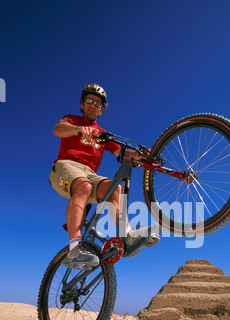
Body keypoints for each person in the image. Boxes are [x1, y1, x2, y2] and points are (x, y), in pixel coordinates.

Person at [49, 83, 159, 269]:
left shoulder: (102, 135)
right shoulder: (72, 120)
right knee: (83, 186)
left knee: (114, 188)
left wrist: (143, 156)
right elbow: (58, 129)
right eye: (90, 101)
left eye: (98, 104)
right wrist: (78, 130)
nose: (93, 105)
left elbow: (121, 152)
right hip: (65, 167)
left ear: (101, 110)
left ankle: (128, 234)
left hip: (90, 174)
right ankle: (74, 248)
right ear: (82, 104)